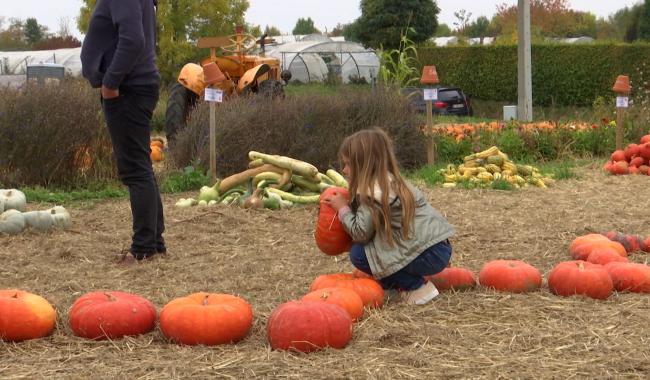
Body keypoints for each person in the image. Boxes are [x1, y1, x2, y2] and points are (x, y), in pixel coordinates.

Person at [323, 128, 454, 305]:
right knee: (375, 248)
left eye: (348, 164)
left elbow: (361, 232)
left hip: (426, 254)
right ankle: (391, 286)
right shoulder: (392, 181)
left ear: (364, 164)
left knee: (360, 254)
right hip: (438, 248)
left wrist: (343, 209)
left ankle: (416, 288)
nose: (344, 170)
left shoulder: (371, 193)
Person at [80, 0, 165, 264]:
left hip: (127, 88)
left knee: (135, 169)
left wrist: (110, 82)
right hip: (136, 85)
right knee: (141, 166)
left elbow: (132, 39)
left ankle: (143, 248)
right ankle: (154, 242)